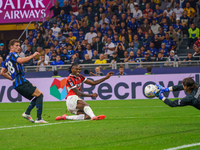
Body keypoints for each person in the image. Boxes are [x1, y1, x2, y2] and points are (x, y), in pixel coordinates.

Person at [0, 39, 47, 123]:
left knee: (39, 95)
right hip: (21, 80)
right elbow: (20, 60)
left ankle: (27, 113)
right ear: (11, 47)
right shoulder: (13, 54)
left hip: (16, 83)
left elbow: (2, 72)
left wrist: (12, 78)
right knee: (39, 95)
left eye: (19, 45)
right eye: (16, 45)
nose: (18, 47)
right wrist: (33, 55)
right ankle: (38, 118)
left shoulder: (7, 58)